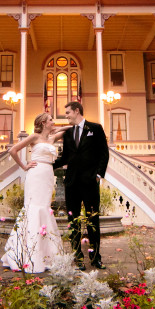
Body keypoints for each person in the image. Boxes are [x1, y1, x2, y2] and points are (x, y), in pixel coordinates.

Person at [1, 113, 71, 273]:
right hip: (36, 172)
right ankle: (28, 253)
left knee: (45, 208)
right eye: (51, 120)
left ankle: (46, 253)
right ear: (43, 122)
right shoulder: (34, 136)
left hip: (47, 173)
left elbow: (69, 130)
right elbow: (13, 150)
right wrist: (24, 166)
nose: (53, 121)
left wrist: (57, 128)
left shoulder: (52, 138)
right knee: (34, 208)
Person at [53, 101, 110, 270]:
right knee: (73, 220)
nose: (66, 116)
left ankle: (95, 257)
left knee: (93, 219)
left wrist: (99, 175)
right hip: (71, 183)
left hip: (90, 182)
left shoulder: (95, 128)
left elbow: (103, 153)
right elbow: (65, 158)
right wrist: (46, 165)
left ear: (77, 111)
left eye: (68, 113)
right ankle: (77, 256)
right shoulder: (68, 134)